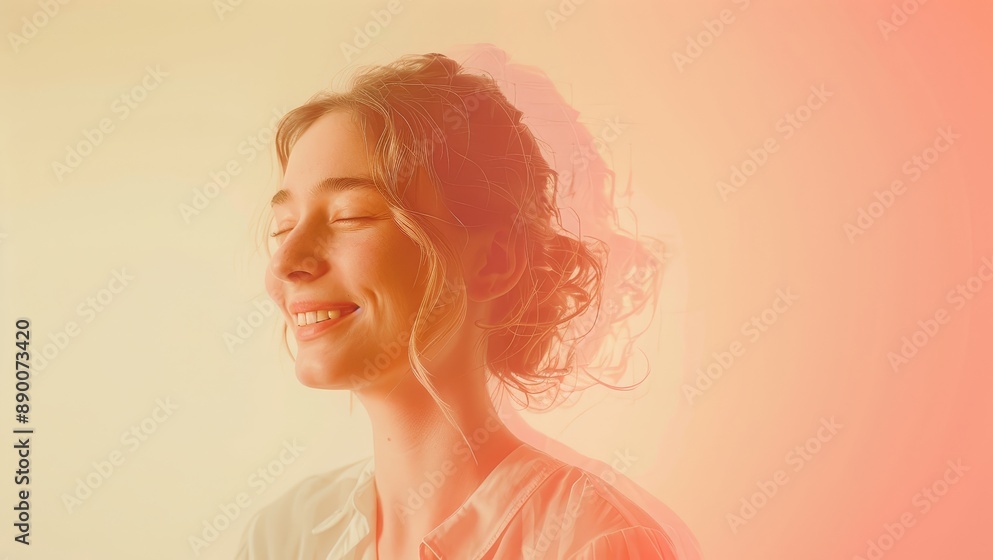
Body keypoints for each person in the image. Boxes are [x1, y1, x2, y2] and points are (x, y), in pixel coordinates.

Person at [236, 49, 691, 559]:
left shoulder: (594, 543)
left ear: (493, 261)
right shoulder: (281, 537)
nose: (285, 263)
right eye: (282, 227)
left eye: (350, 215)